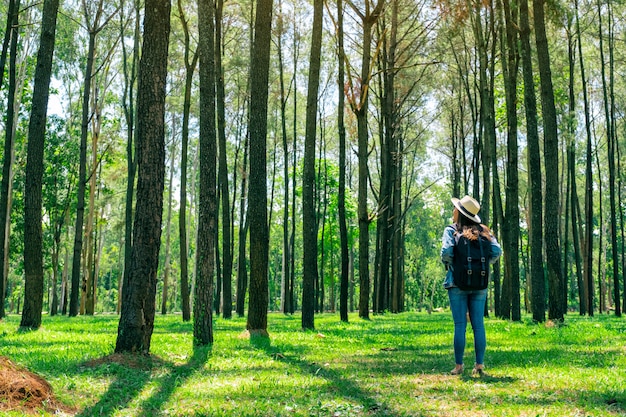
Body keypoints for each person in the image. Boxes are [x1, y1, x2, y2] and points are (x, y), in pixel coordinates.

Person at [440, 195, 501, 376]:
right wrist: (481, 264)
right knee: (478, 325)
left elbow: (446, 252)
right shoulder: (484, 231)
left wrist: (455, 264)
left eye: (455, 209)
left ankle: (459, 366)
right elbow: (497, 251)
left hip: (456, 282)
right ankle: (479, 365)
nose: (453, 211)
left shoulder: (451, 230)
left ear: (459, 213)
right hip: (479, 283)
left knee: (460, 324)